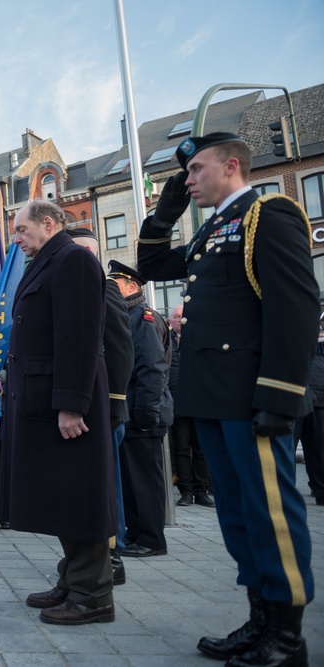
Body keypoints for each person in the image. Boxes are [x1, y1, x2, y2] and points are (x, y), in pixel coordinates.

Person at [137, 132, 316, 664]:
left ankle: (287, 636)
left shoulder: (270, 215)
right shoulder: (214, 229)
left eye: (195, 171)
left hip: (251, 397)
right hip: (214, 397)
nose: (188, 181)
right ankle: (260, 619)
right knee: (238, 516)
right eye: (185, 175)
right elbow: (150, 268)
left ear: (231, 165)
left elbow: (297, 310)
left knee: (271, 513)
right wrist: (164, 212)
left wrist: (280, 396)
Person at [0, 199, 117, 626]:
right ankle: (73, 580)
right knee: (64, 495)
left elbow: (80, 337)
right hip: (42, 400)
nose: (16, 238)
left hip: (65, 405)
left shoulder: (73, 261)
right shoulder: (51, 260)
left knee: (80, 495)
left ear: (48, 224)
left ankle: (93, 595)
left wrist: (71, 404)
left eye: (20, 229)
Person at [68, 227, 134, 584]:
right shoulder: (76, 287)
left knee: (107, 485)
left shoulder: (103, 286)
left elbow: (120, 348)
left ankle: (113, 554)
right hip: (86, 406)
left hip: (104, 407)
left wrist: (115, 404)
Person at [107, 260, 173, 558]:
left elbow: (152, 369)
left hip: (143, 414)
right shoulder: (125, 315)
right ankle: (135, 534)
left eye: (115, 284)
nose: (109, 288)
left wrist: (146, 415)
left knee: (146, 481)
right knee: (131, 482)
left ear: (132, 287)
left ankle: (152, 538)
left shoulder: (143, 318)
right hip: (129, 412)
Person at [167, 304, 214, 508]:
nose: (180, 320)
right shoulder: (165, 341)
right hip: (176, 404)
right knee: (181, 450)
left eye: (183, 316)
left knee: (201, 449)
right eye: (176, 317)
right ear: (170, 322)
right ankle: (185, 491)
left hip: (199, 403)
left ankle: (201, 490)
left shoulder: (198, 339)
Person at [294, 319, 324, 507]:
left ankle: (321, 490)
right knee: (287, 448)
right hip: (294, 394)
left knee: (319, 448)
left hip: (319, 396)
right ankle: (283, 489)